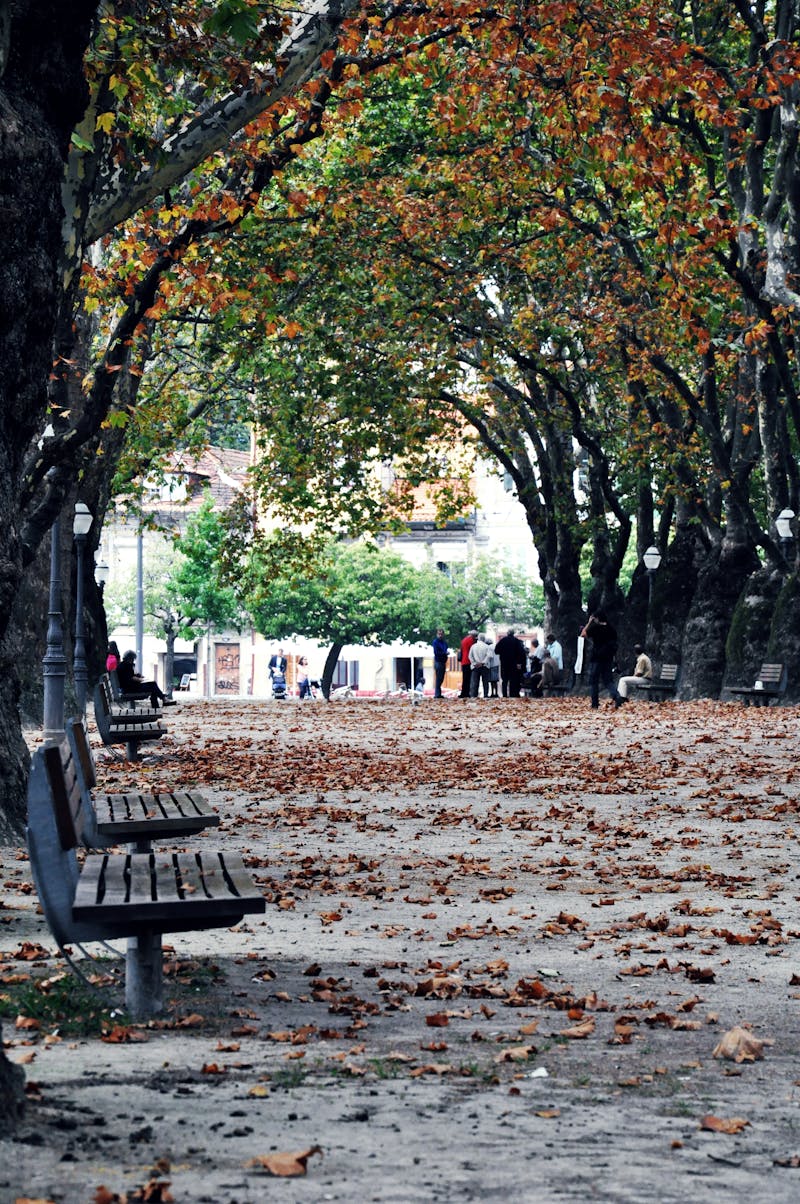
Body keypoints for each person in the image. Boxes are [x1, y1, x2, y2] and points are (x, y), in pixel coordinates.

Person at [580, 611, 621, 709]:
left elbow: (583, 634)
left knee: (594, 681)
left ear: (597, 618)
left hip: (596, 658)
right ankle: (616, 696)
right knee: (608, 680)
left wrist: (589, 622)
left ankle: (595, 703)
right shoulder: (612, 629)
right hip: (608, 658)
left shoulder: (595, 628)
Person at [494, 628, 528, 697]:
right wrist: (519, 662)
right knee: (513, 680)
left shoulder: (502, 641)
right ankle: (512, 694)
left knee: (504, 680)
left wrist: (503, 653)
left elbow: (496, 651)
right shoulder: (516, 641)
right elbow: (521, 653)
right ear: (513, 634)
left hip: (504, 663)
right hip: (513, 664)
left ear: (507, 633)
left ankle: (504, 695)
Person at [460, 630, 478, 698]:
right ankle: (467, 693)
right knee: (469, 679)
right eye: (475, 636)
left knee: (465, 678)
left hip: (463, 661)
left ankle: (463, 692)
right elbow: (473, 651)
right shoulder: (471, 641)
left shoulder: (464, 640)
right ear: (473, 635)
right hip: (469, 661)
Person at [432, 628, 449, 698]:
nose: (440, 635)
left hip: (443, 661)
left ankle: (438, 693)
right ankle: (437, 694)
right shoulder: (435, 642)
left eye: (441, 634)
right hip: (438, 661)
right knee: (439, 678)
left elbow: (445, 649)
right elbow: (436, 652)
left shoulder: (444, 643)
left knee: (441, 678)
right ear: (437, 634)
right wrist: (444, 653)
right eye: (439, 634)